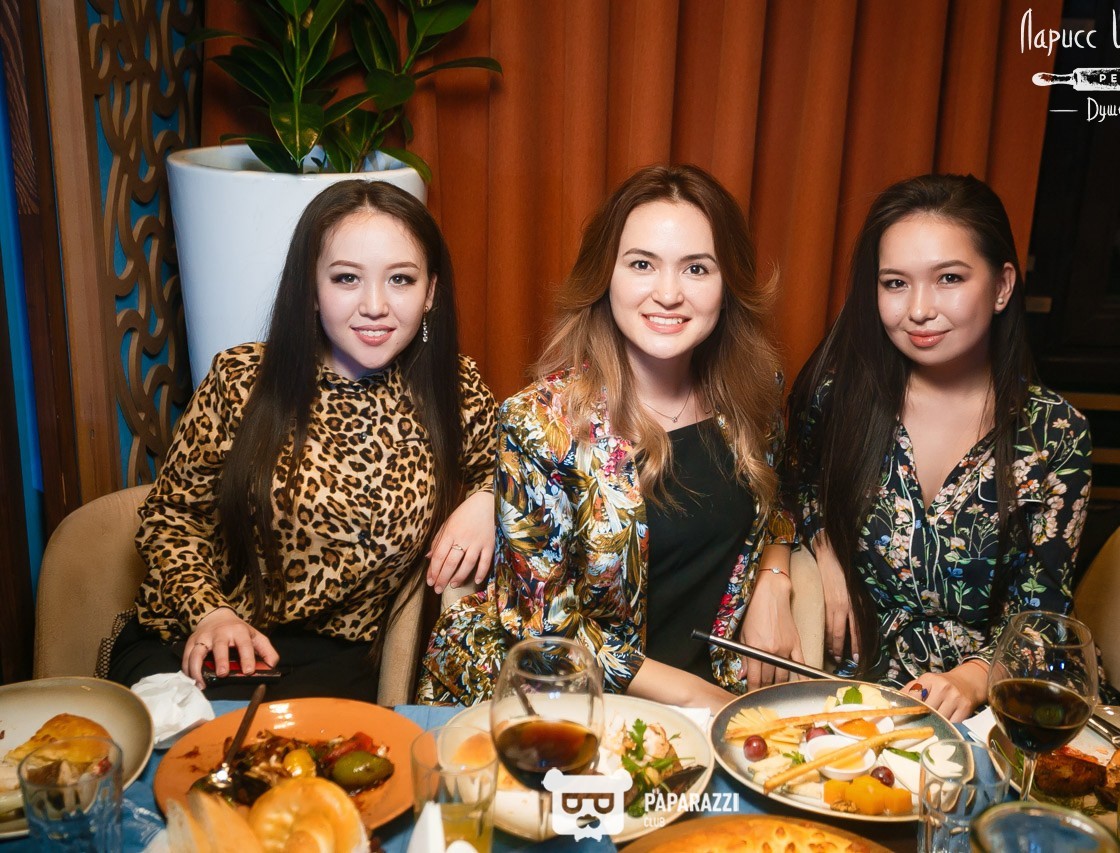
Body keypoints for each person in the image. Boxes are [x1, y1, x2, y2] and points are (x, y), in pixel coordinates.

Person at [420, 165, 797, 709]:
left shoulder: (754, 395)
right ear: (607, 275)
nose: (668, 293)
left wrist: (774, 577)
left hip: (711, 697)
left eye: (696, 268)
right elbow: (545, 634)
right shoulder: (539, 423)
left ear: (727, 284)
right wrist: (699, 698)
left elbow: (776, 500)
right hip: (564, 702)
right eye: (642, 264)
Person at [107, 180, 497, 701]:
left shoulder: (454, 390)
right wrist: (211, 613)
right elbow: (171, 518)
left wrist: (490, 498)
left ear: (430, 293)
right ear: (311, 288)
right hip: (198, 638)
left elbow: (525, 470)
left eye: (400, 279)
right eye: (346, 278)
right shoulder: (241, 379)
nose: (375, 305)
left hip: (335, 662)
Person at [783, 174, 1092, 722]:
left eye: (949, 278)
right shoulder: (838, 400)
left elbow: (1042, 612)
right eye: (895, 283)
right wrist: (824, 548)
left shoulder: (1056, 432)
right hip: (859, 692)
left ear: (1002, 287)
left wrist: (971, 680)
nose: (919, 309)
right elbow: (792, 489)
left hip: (997, 702)